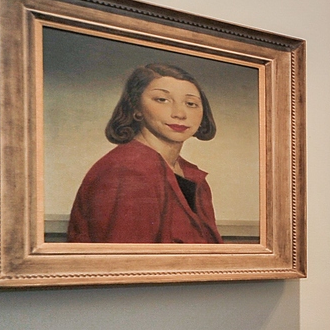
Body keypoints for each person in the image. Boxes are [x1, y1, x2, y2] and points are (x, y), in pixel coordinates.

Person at [67, 63, 223, 244]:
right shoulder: (128, 170)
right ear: (136, 108)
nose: (180, 113)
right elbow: (126, 265)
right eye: (162, 100)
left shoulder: (192, 175)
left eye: (191, 104)